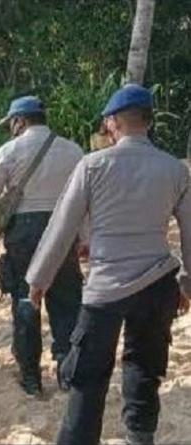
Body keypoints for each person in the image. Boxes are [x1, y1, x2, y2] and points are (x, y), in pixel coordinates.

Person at [27, 84, 191, 445]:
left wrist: (39, 280)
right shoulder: (175, 170)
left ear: (114, 122)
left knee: (88, 375)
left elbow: (62, 226)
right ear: (148, 122)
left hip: (106, 287)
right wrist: (186, 283)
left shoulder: (93, 165)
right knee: (145, 368)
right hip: (158, 282)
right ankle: (139, 437)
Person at [0, 96, 84, 397]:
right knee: (67, 301)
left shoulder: (9, 151)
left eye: (11, 124)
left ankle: (31, 376)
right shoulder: (73, 150)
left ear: (19, 121)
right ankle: (66, 371)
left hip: (23, 234)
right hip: (63, 229)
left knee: (24, 301)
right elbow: (85, 199)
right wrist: (86, 238)